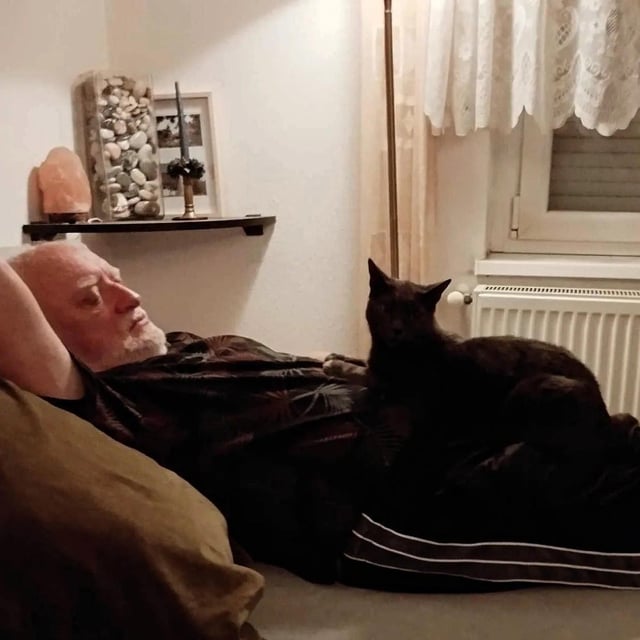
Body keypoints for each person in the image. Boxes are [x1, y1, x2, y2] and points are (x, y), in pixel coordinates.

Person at [1, 241, 393, 584]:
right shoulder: (110, 402)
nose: (131, 297)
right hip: (387, 502)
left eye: (115, 279)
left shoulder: (174, 348)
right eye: (91, 299)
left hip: (410, 414)